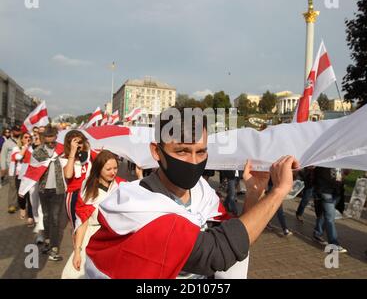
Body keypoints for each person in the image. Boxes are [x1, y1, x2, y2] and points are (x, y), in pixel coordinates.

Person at [85, 107, 299, 279]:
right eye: (182, 151)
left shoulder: (202, 192)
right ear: (156, 151)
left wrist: (254, 194)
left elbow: (235, 236)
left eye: (201, 151)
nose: (194, 161)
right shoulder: (137, 206)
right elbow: (218, 252)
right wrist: (278, 191)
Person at [62, 150, 124, 279]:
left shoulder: (122, 185)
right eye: (108, 169)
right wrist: (77, 251)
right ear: (98, 169)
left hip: (115, 238)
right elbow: (82, 223)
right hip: (92, 237)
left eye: (115, 168)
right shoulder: (88, 191)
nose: (113, 172)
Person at [33, 125, 66, 261]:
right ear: (44, 138)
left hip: (58, 189)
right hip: (43, 189)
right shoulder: (38, 152)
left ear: (56, 138)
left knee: (55, 218)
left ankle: (54, 247)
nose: (51, 144)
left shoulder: (62, 150)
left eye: (53, 141)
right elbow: (33, 170)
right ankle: (47, 241)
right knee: (46, 216)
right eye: (48, 142)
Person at [61, 130, 95, 231]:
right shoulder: (65, 158)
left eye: (80, 142)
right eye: (75, 142)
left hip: (88, 193)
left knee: (89, 224)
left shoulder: (89, 156)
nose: (79, 145)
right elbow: (68, 174)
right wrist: (72, 151)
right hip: (74, 196)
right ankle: (77, 246)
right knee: (76, 227)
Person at [312, 167, 348, 253]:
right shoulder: (324, 161)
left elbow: (343, 174)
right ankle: (334, 244)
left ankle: (318, 233)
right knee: (330, 217)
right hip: (326, 191)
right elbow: (318, 173)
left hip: (337, 192)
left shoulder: (340, 160)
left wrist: (345, 173)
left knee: (326, 214)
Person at [10, 132, 34, 225]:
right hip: (20, 175)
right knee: (21, 196)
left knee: (30, 196)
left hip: (30, 175)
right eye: (26, 137)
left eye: (29, 137)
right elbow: (18, 157)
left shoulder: (33, 148)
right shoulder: (16, 148)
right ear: (22, 139)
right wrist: (25, 147)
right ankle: (23, 208)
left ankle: (31, 216)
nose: (28, 139)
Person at [1, 125, 22, 213]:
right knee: (13, 186)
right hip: (12, 167)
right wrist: (3, 167)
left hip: (21, 167)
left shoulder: (23, 141)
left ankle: (21, 204)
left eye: (19, 131)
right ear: (12, 131)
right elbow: (3, 155)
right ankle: (12, 205)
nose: (17, 132)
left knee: (21, 187)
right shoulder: (7, 143)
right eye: (16, 131)